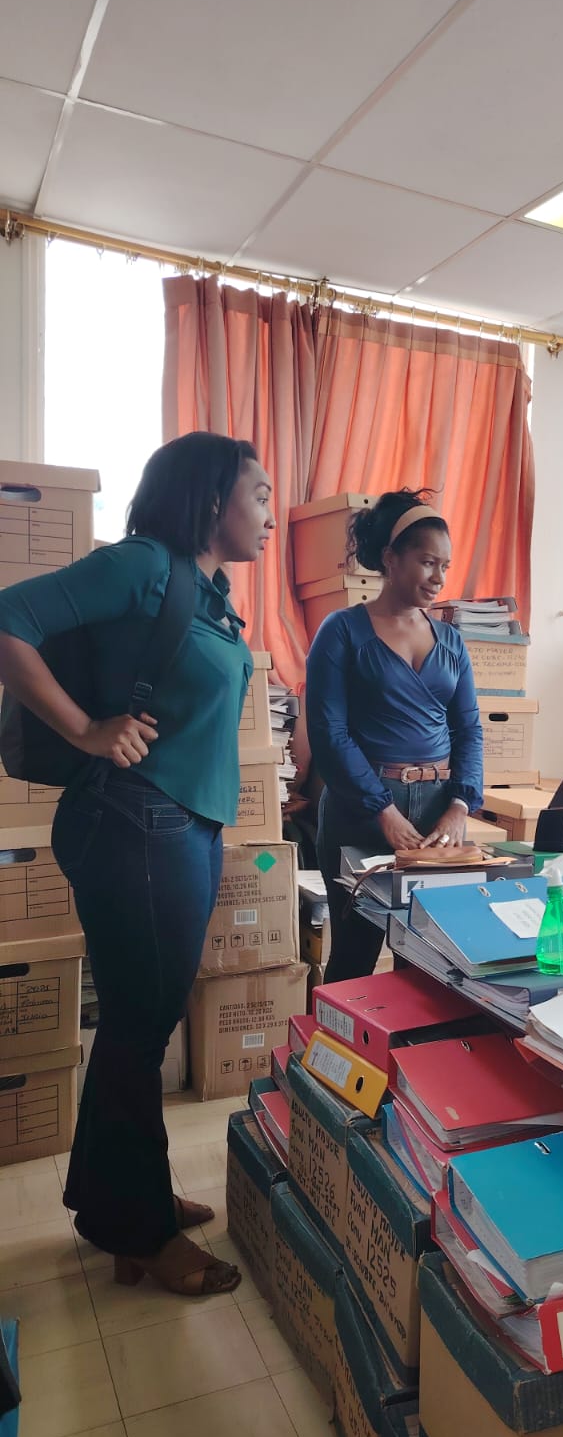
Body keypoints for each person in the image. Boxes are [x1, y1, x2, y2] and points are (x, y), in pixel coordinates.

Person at [0, 433, 274, 1294]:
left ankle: (111, 1196)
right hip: (135, 823)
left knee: (135, 1023)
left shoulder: (209, 593)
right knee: (139, 1028)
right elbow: (9, 619)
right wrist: (86, 729)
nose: (270, 514)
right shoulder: (145, 565)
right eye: (259, 494)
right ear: (210, 499)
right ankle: (141, 1233)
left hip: (178, 827)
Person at [306, 490, 484, 983]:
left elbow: (469, 728)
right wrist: (381, 810)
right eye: (427, 562)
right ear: (390, 558)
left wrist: (460, 806)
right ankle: (337, 1036)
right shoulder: (342, 631)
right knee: (355, 956)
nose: (439, 578)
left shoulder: (451, 641)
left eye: (445, 566)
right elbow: (328, 733)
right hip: (360, 810)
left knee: (428, 960)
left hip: (437, 811)